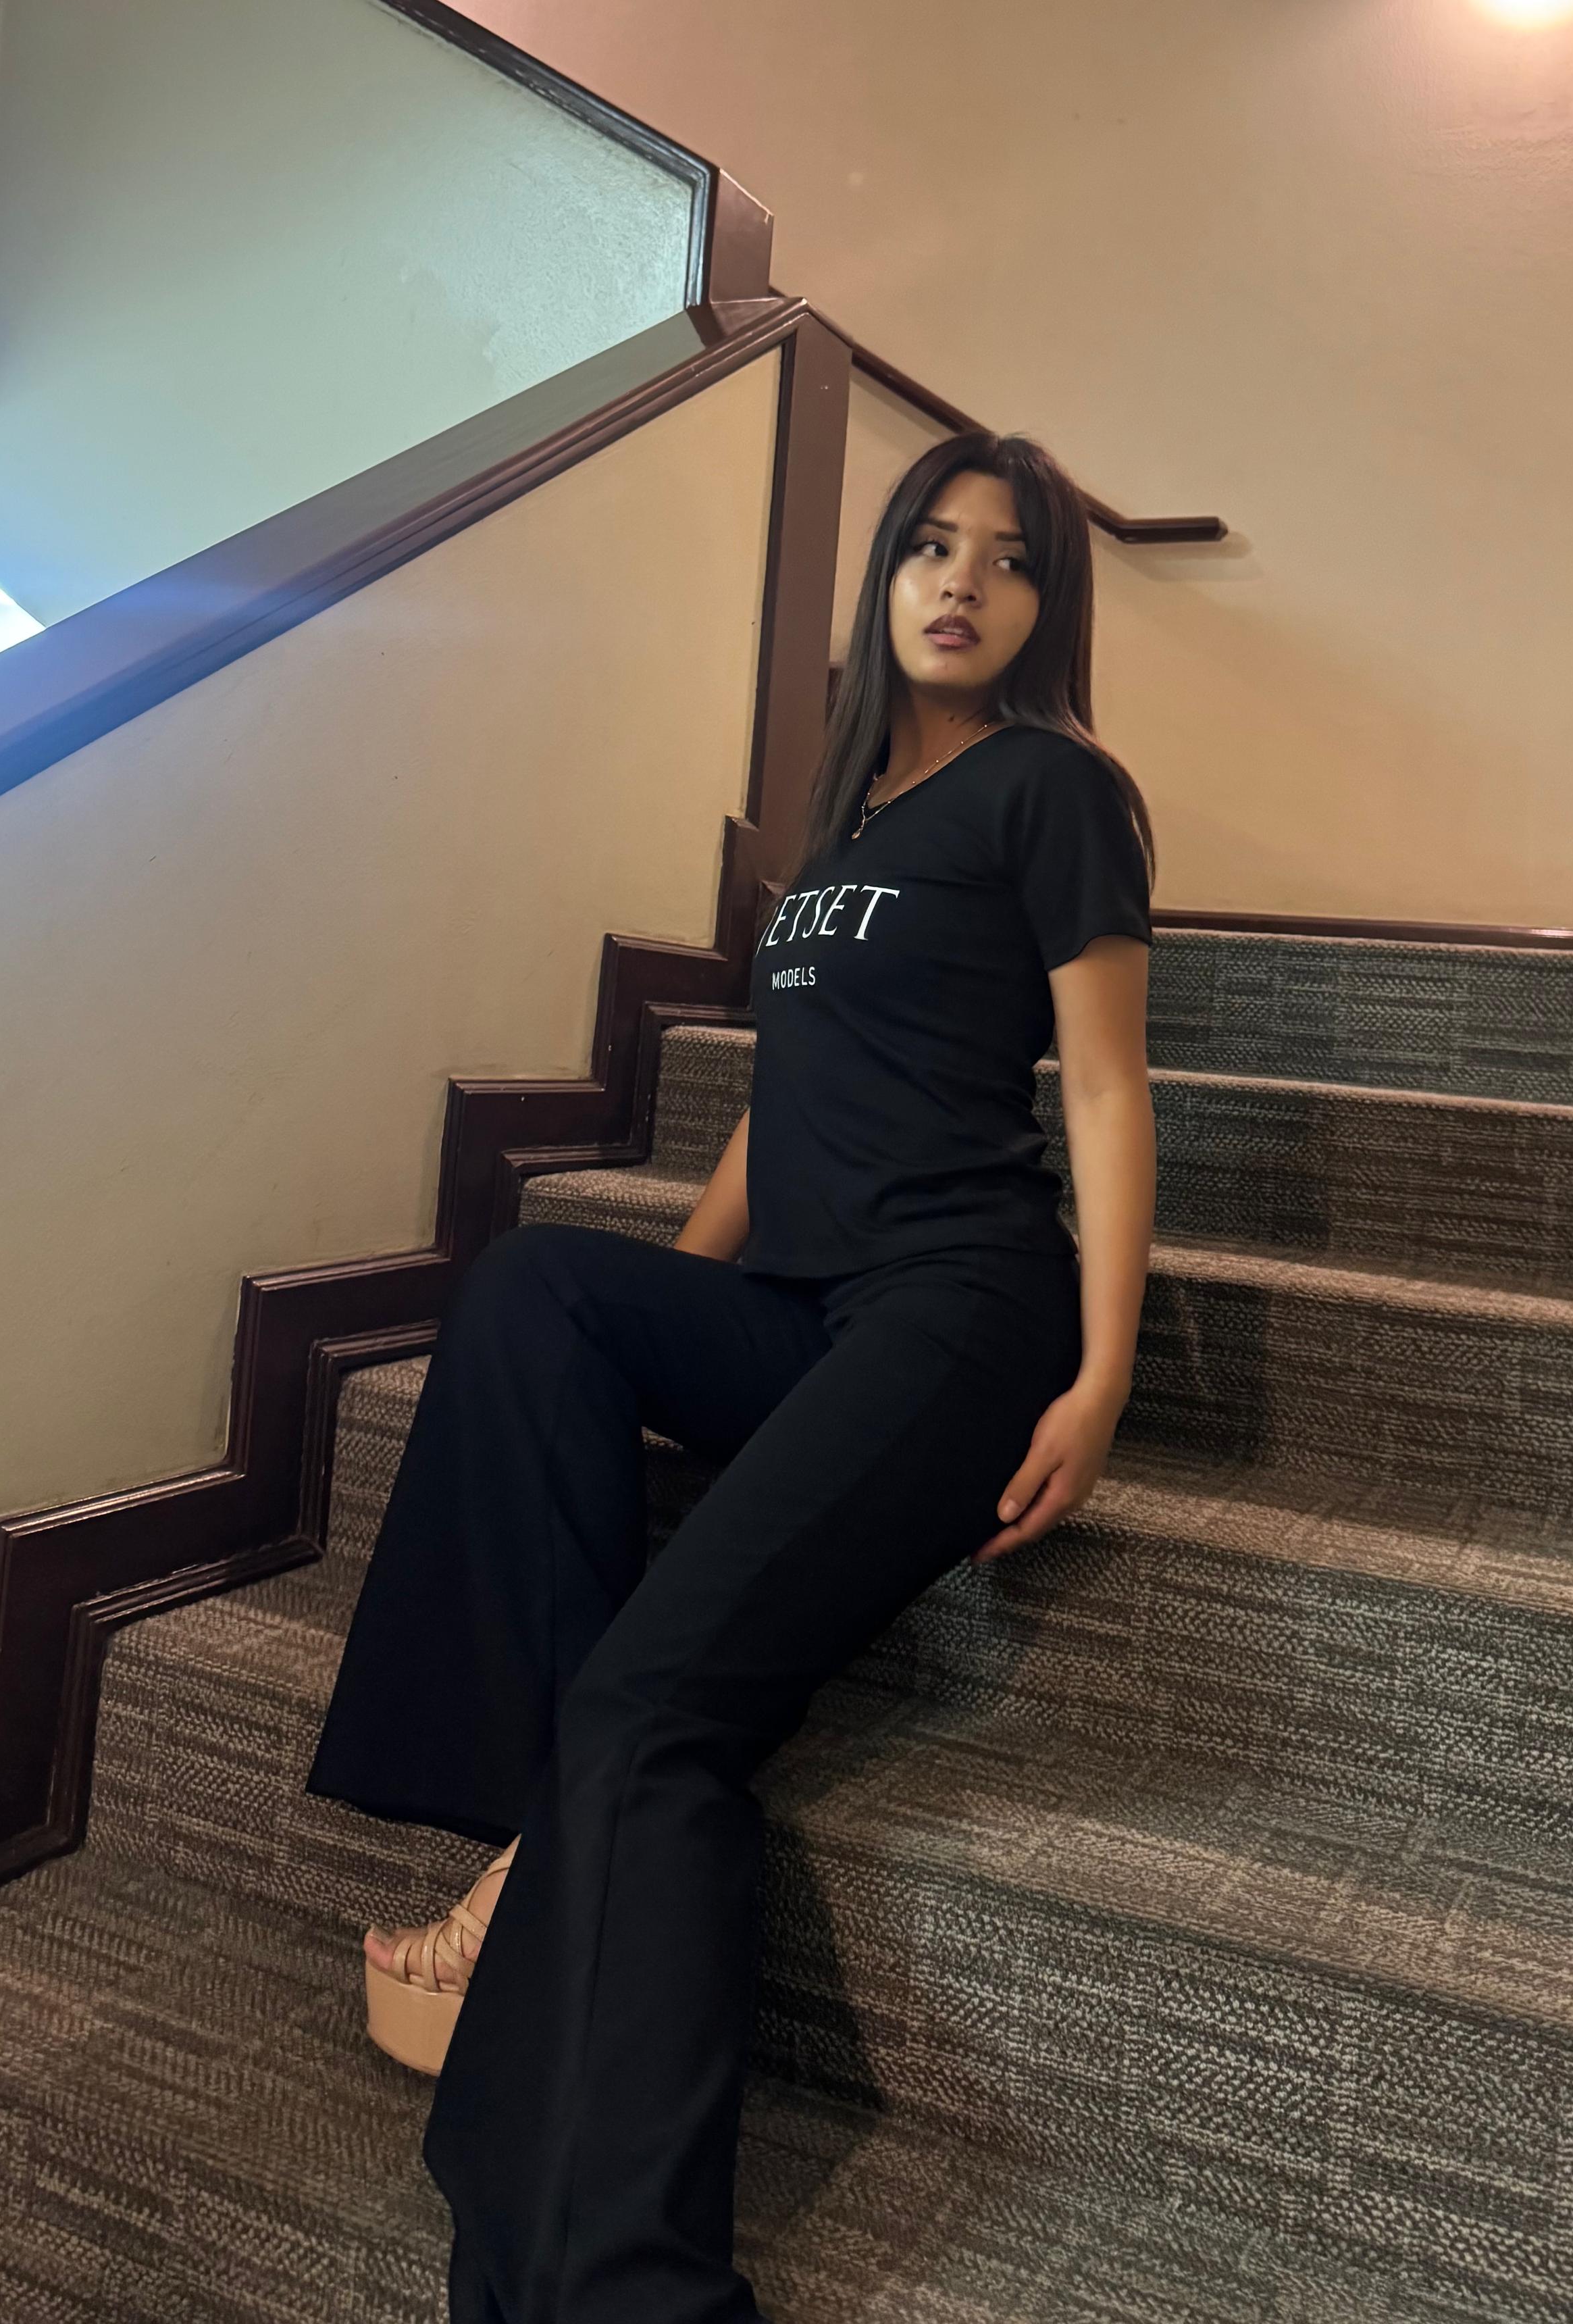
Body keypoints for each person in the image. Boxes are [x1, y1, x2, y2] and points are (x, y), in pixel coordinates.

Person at [307, 428, 1158, 2324]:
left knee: (654, 1715)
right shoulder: (836, 835)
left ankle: (625, 2279)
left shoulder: (1055, 791)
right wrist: (653, 1313)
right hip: (800, 1308)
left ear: (1048, 604)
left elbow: (1105, 1086)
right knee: (535, 1288)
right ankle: (539, 1831)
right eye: (929, 546)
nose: (961, 582)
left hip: (958, 1313)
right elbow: (782, 1109)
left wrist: (1102, 1371)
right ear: (883, 574)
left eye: (1009, 559)